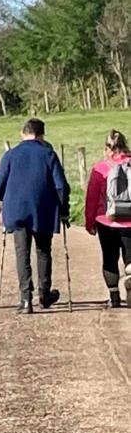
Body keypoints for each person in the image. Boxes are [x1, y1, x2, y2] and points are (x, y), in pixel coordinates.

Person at [0, 119, 70, 315]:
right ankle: (44, 295)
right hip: (43, 209)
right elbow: (61, 186)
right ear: (42, 135)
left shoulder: (11, 154)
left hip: (16, 209)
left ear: (22, 133)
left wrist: (3, 199)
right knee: (43, 251)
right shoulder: (48, 154)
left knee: (22, 253)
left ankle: (25, 299)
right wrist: (64, 209)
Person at [85, 130, 131, 308]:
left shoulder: (100, 168)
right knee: (130, 258)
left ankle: (114, 297)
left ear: (106, 147)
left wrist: (90, 222)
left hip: (106, 221)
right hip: (130, 221)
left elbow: (92, 197)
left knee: (110, 258)